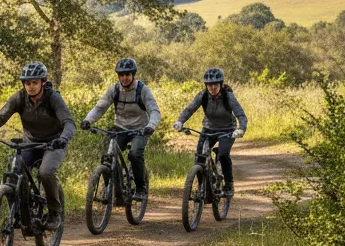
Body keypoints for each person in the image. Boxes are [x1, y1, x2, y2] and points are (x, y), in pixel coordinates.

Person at [0, 62, 75, 231]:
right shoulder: (19, 97)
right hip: (31, 142)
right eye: (27, 83)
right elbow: (1, 117)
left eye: (35, 82)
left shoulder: (53, 98)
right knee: (15, 169)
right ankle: (22, 212)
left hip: (54, 143)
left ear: (43, 82)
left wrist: (63, 138)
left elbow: (69, 123)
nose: (31, 86)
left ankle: (54, 213)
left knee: (45, 172)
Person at [80, 58, 161, 201]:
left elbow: (154, 111)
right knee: (107, 156)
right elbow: (100, 108)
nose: (124, 78)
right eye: (121, 75)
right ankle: (112, 189)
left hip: (140, 129)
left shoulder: (142, 90)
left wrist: (151, 126)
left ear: (133, 74)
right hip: (120, 128)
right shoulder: (114, 89)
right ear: (118, 75)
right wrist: (88, 120)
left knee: (135, 154)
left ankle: (141, 188)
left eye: (127, 74)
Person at [172, 67, 247, 196]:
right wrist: (180, 121)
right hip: (208, 129)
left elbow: (240, 114)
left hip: (227, 130)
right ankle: (204, 189)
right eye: (209, 85)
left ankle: (229, 185)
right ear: (206, 85)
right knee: (199, 159)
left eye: (216, 84)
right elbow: (189, 109)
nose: (213, 88)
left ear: (221, 84)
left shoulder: (228, 96)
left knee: (223, 155)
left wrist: (241, 129)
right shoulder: (203, 96)